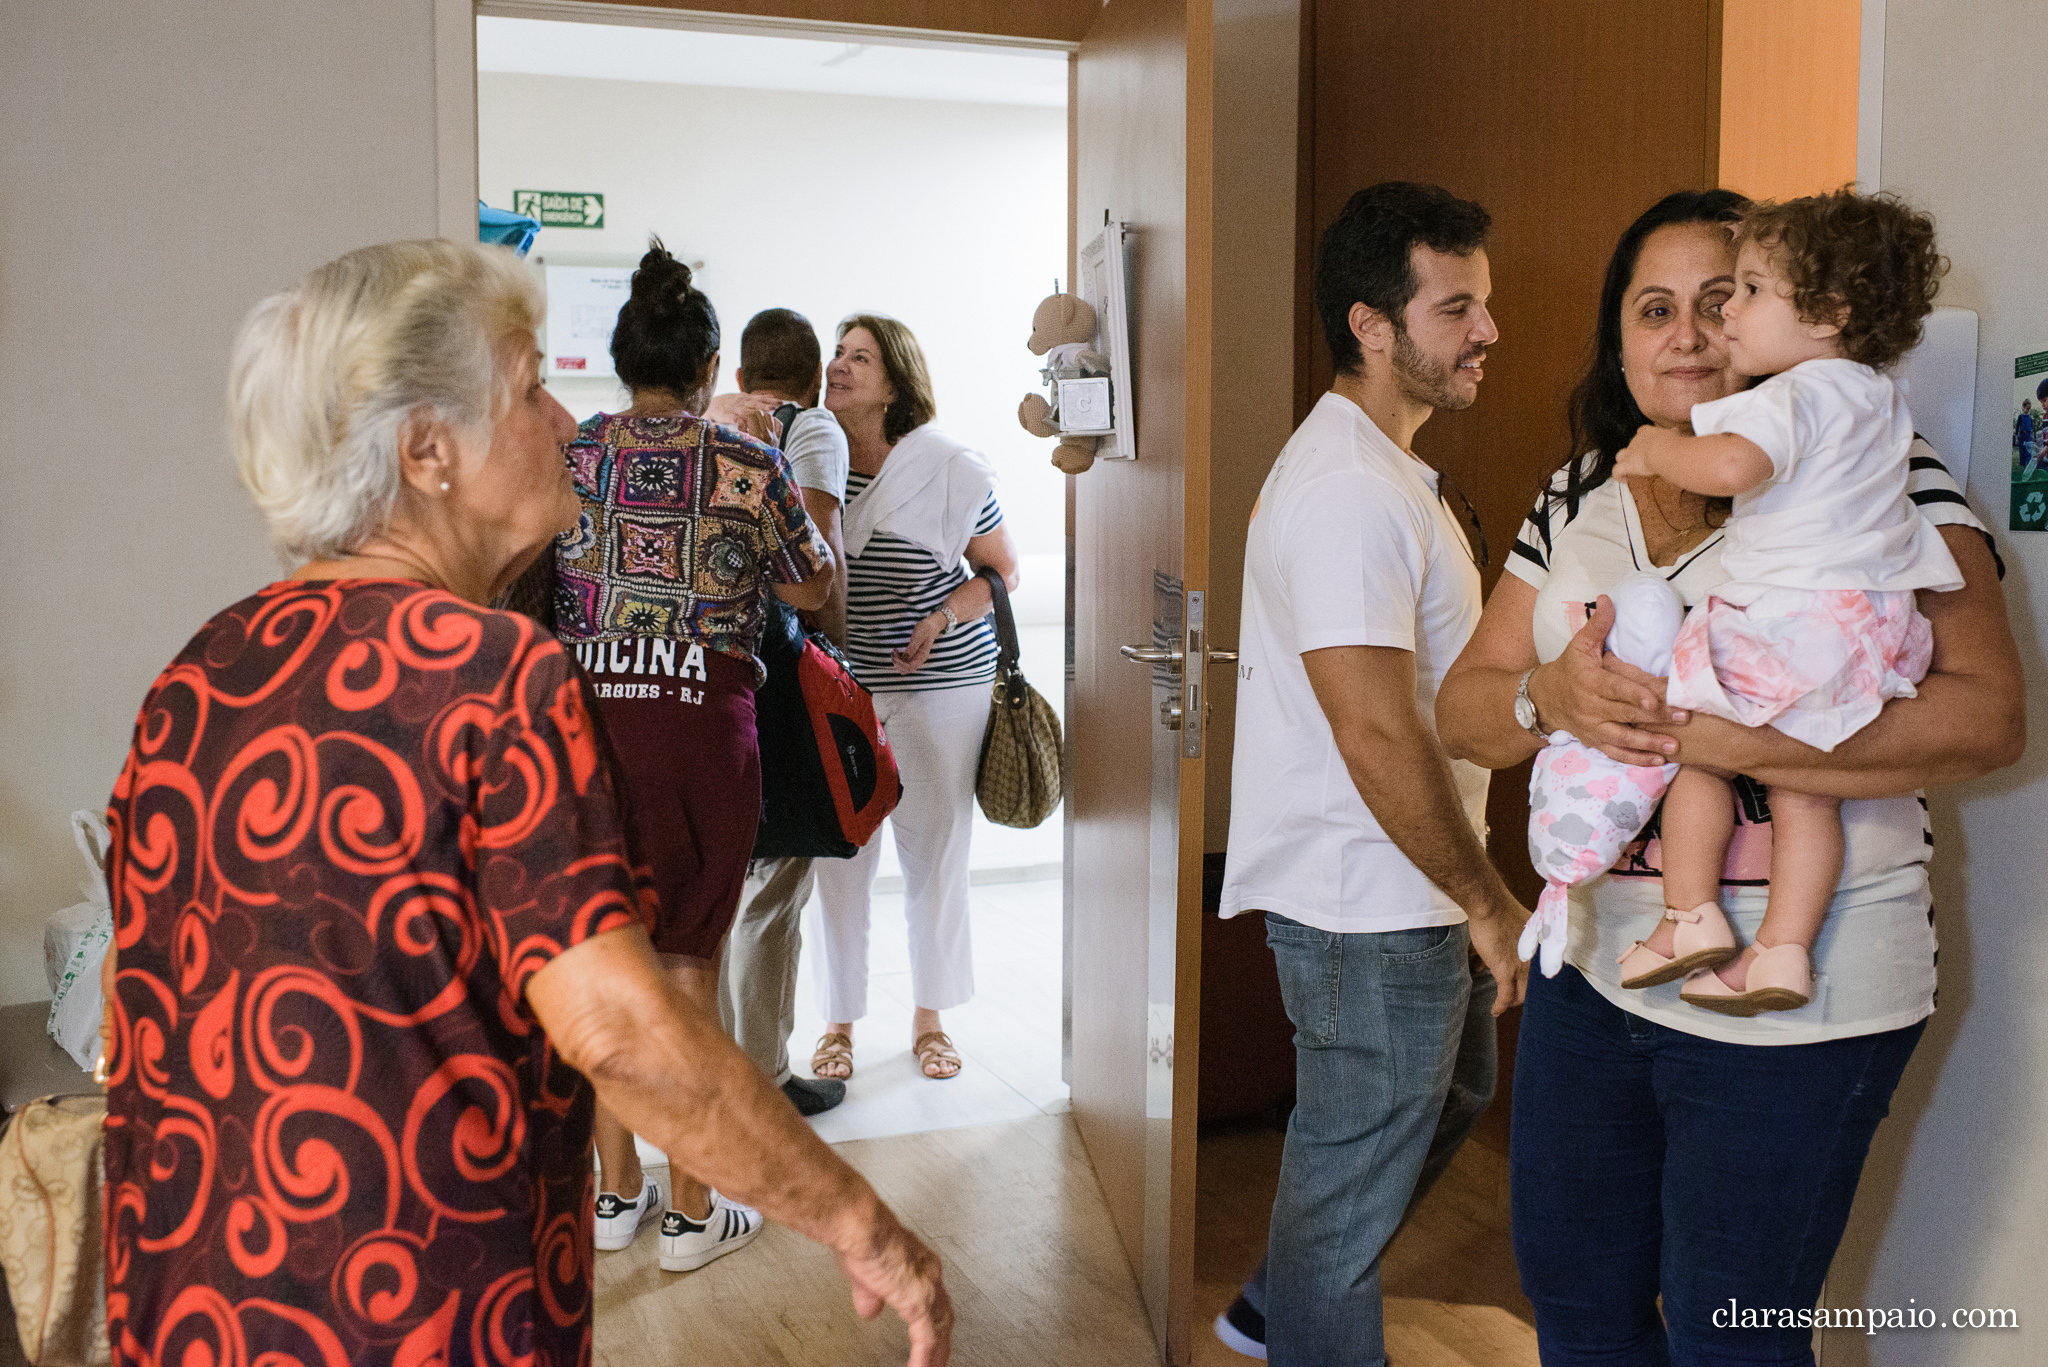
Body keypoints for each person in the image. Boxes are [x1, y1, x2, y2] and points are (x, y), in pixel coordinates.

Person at [99, 239, 950, 1367]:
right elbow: (615, 1026)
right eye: (527, 389)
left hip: (192, 1290)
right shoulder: (488, 673)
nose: (563, 423)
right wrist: (862, 1223)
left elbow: (138, 1003)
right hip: (411, 1301)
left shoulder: (200, 668)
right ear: (427, 452)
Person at [1435, 189, 2022, 1365]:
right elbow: (1461, 704)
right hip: (1593, 972)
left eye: (1725, 296)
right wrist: (1542, 695)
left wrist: (1721, 738)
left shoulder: (1873, 470)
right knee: (1578, 1306)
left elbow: (1986, 715)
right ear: (1618, 340)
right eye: (1655, 308)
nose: (1691, 332)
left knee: (1729, 1331)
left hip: (1799, 990)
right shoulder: (1575, 494)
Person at [1210, 181, 1529, 1366]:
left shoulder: (1393, 472)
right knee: (1348, 1207)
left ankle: (1265, 1303)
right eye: (1457, 308)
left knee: (1445, 1094)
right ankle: (1298, 1316)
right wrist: (1489, 901)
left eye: (1481, 304)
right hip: (1365, 904)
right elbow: (1377, 734)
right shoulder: (1347, 488)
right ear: (1371, 325)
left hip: (1405, 893)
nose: (1487, 331)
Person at [552, 240, 834, 1269]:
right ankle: (692, 1207)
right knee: (688, 966)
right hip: (702, 729)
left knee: (604, 957)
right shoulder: (749, 461)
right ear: (711, 369)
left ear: (624, 362)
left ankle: (613, 1192)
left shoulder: (574, 453)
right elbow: (814, 586)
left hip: (588, 726)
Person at [1610, 190, 1961, 1014]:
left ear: (1831, 312)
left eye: (1753, 289)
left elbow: (1733, 469)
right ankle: (1782, 951)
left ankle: (1686, 915)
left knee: (1700, 757)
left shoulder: (1793, 394)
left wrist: (1663, 447)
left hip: (1793, 622)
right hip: (1868, 633)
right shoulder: (1880, 403)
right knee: (1807, 791)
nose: (1731, 310)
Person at [809, 314, 1020, 1083]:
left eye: (859, 356)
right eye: (836, 353)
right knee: (841, 856)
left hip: (942, 687)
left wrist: (938, 617)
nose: (839, 366)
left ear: (895, 379)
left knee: (934, 853)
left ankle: (930, 1020)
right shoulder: (815, 459)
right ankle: (838, 1023)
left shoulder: (948, 466)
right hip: (841, 688)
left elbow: (1001, 571)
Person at [716, 306, 853, 1117]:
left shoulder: (716, 430)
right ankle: (764, 1074)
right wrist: (833, 650)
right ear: (809, 380)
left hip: (722, 669)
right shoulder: (815, 428)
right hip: (786, 672)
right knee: (780, 880)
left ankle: (738, 1063)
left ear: (739, 376)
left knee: (737, 882)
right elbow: (819, 562)